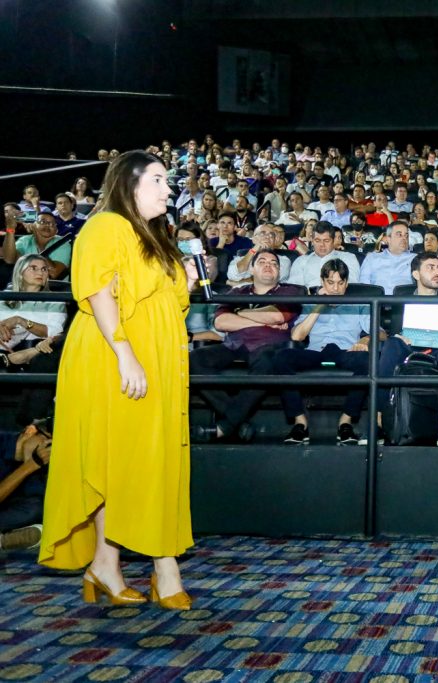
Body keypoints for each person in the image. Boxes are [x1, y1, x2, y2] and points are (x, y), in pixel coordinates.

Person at [39, 151, 198, 609]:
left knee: (132, 461)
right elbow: (96, 290)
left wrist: (181, 282)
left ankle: (105, 565)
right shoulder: (106, 226)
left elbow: (167, 306)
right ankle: (164, 568)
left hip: (154, 360)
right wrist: (125, 354)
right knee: (132, 460)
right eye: (159, 179)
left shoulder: (155, 236)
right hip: (115, 356)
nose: (169, 189)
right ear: (129, 184)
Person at [190, 249, 303, 442]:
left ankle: (224, 427)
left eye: (274, 263)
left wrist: (239, 312)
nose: (269, 265)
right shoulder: (236, 292)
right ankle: (237, 423)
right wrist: (261, 321)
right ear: (252, 269)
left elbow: (276, 316)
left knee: (268, 362)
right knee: (194, 359)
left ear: (279, 271)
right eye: (262, 262)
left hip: (269, 346)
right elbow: (221, 323)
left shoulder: (291, 291)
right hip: (234, 345)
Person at [375, 252, 438, 447]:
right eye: (430, 267)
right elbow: (393, 332)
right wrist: (399, 336)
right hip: (410, 348)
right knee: (392, 344)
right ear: (416, 274)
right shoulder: (401, 299)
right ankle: (377, 420)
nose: (437, 272)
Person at [273, 259, 374, 445]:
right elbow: (297, 336)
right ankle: (300, 422)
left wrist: (365, 339)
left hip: (345, 351)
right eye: (330, 282)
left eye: (340, 283)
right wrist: (319, 304)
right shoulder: (311, 302)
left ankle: (346, 421)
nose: (335, 289)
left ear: (346, 283)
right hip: (316, 351)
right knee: (282, 357)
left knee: (368, 361)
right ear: (322, 282)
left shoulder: (358, 303)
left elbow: (380, 332)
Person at [0, 422, 50, 553]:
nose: (48, 452)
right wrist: (31, 464)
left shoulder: (41, 469)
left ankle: (4, 540)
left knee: (37, 509)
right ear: (30, 431)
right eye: (48, 443)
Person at [2, 208, 71, 280]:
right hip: (25, 285)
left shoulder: (62, 242)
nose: (47, 225)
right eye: (42, 222)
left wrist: (38, 240)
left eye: (51, 224)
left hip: (52, 288)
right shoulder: (25, 240)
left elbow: (53, 273)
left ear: (56, 230)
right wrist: (10, 228)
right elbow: (9, 259)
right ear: (34, 224)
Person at [285, 222, 361, 288]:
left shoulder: (348, 258)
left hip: (341, 302)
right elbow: (294, 289)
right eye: (317, 240)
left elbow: (352, 287)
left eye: (326, 240)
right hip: (309, 302)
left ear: (333, 240)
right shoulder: (301, 261)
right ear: (312, 240)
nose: (322, 245)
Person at [358, 222, 415, 294]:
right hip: (377, 302)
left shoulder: (415, 258)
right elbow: (364, 286)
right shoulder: (372, 258)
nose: (404, 238)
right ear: (388, 238)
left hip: (405, 301)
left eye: (406, 235)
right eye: (399, 235)